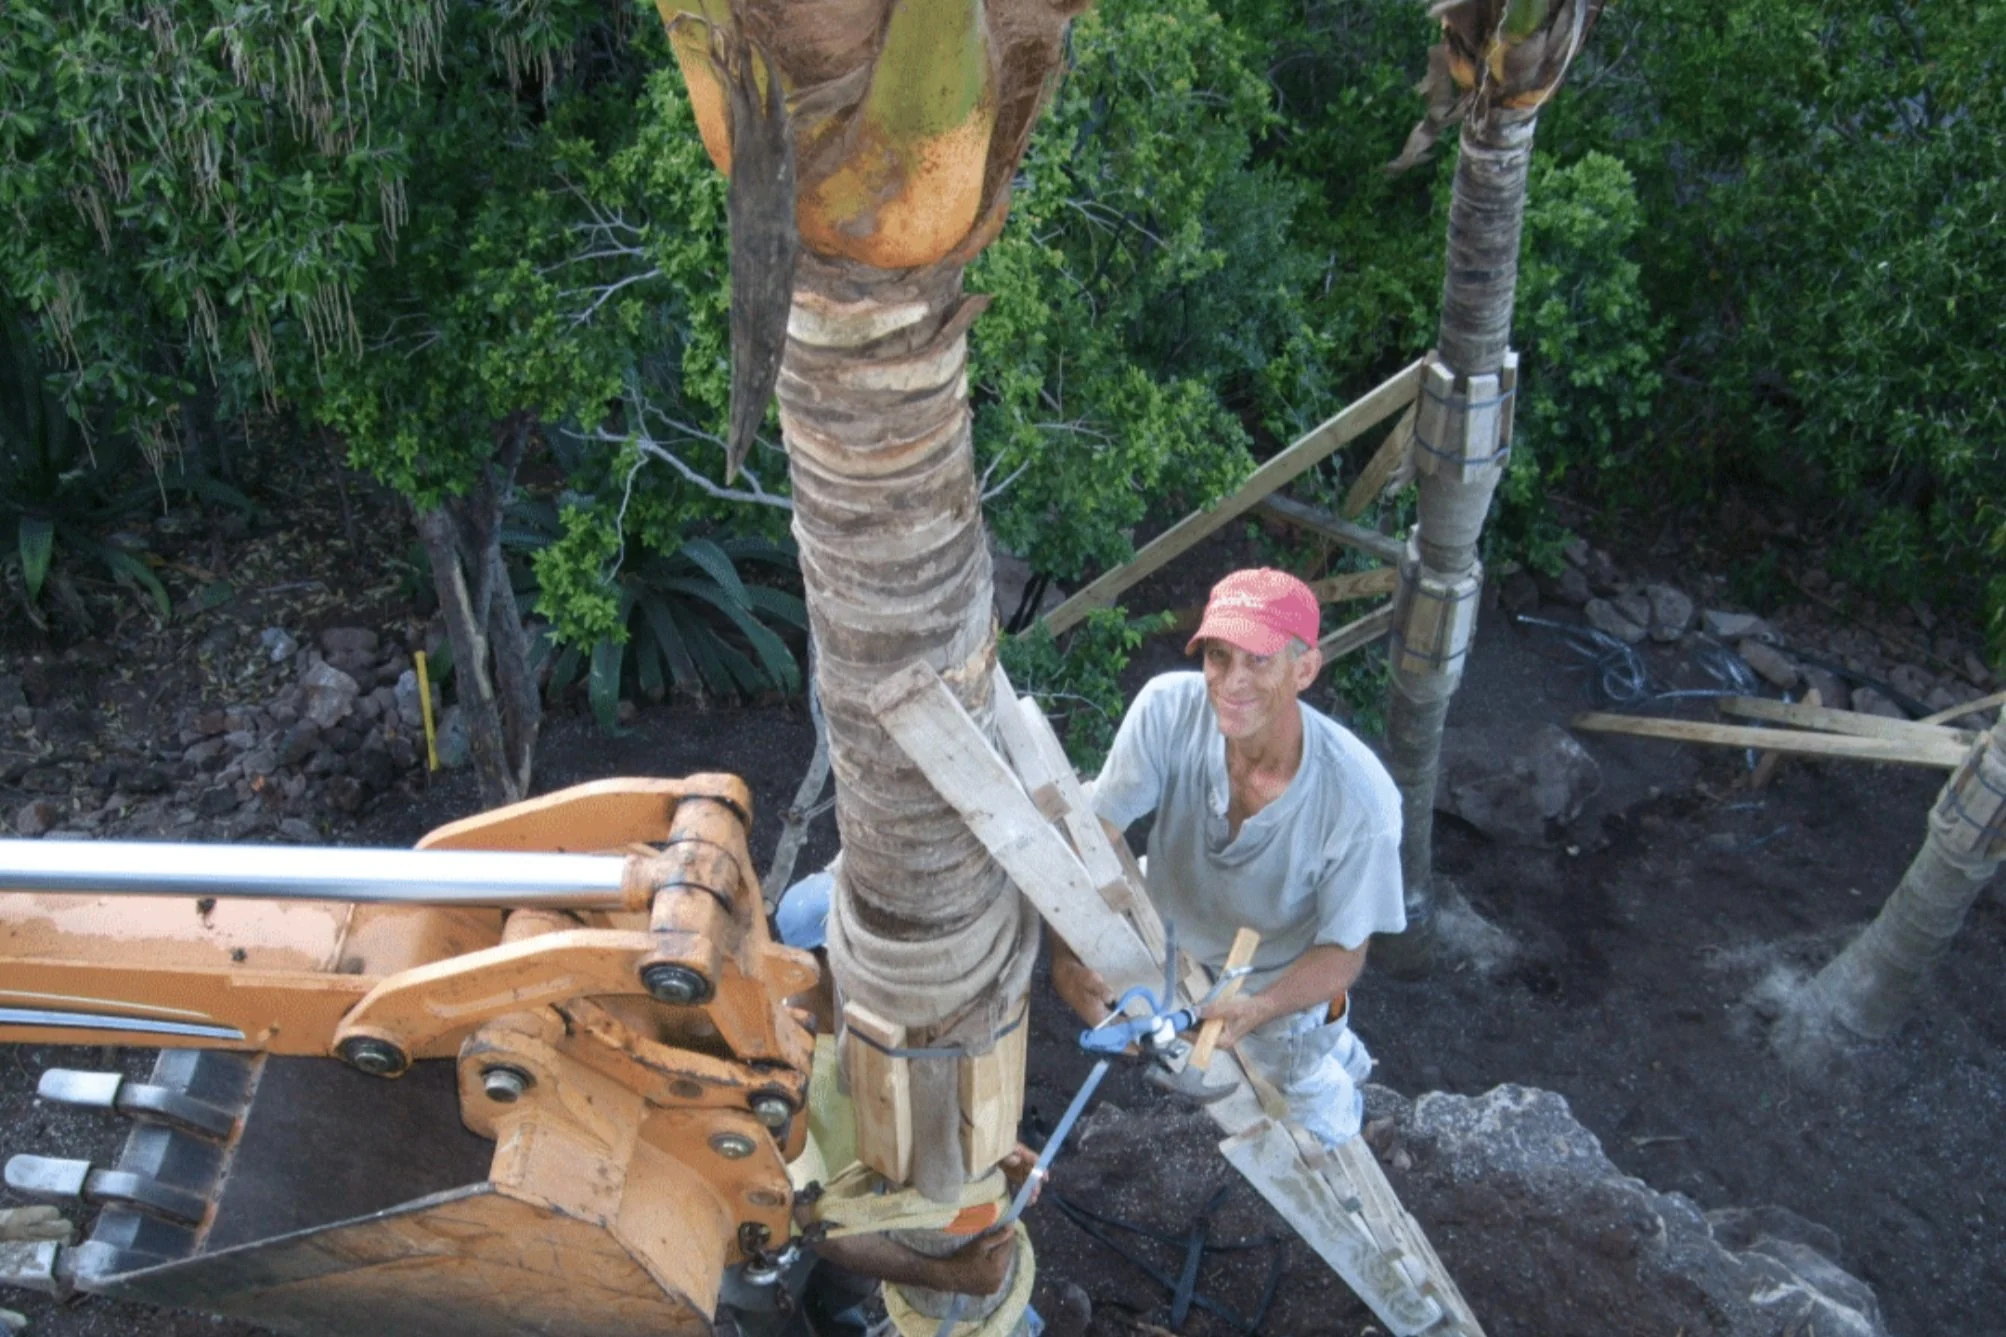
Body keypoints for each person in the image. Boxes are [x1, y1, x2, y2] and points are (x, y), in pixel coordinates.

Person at [1050, 568, 1405, 1147]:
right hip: (1173, 934)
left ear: (1305, 669)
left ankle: (1343, 1113)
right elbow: (1094, 838)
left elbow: (1342, 956)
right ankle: (1339, 1049)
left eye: (1258, 660)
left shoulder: (1360, 805)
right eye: (1218, 656)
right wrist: (1066, 961)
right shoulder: (1168, 710)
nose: (1231, 682)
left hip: (1274, 976)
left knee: (1296, 1095)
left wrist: (1260, 1008)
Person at [716, 870, 1041, 1337]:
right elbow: (821, 1229)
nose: (874, 970)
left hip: (850, 1206)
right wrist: (953, 1277)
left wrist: (991, 1151)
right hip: (774, 1239)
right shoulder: (788, 1070)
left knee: (843, 1295)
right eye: (854, 957)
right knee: (778, 1316)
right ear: (812, 965)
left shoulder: (871, 1023)